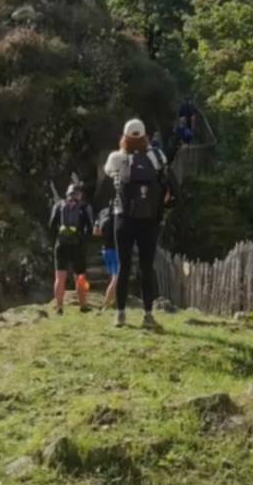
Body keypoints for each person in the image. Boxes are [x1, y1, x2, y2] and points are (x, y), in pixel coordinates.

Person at [103, 118, 174, 329]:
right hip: (149, 219)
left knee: (123, 267)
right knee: (146, 268)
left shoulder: (117, 157)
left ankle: (120, 314)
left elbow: (108, 172)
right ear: (145, 136)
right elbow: (166, 181)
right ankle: (148, 315)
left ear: (124, 137)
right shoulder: (157, 156)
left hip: (123, 217)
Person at [49, 183, 94, 314]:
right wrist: (83, 240)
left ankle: (59, 307)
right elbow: (90, 228)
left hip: (61, 245)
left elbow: (51, 225)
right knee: (80, 277)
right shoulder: (85, 207)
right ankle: (83, 306)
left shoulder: (58, 205)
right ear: (80, 194)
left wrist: (58, 238)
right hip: (77, 245)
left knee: (59, 277)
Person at [94, 205, 119, 310]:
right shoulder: (119, 214)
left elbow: (96, 232)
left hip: (105, 250)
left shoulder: (102, 213)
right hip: (115, 250)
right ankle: (106, 304)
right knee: (116, 278)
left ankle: (114, 301)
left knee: (113, 277)